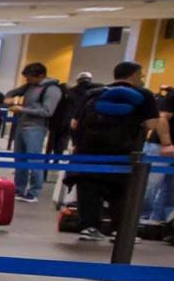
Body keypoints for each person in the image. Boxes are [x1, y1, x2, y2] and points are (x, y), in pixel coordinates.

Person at [68, 61, 161, 242]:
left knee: (89, 188)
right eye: (140, 74)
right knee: (122, 191)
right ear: (134, 75)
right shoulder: (144, 95)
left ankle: (89, 227)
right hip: (124, 152)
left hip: (89, 152)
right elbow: (151, 124)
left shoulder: (93, 93)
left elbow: (74, 123)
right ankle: (120, 230)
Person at [10, 63, 62, 199]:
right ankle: (19, 188)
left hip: (36, 128)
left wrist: (22, 109)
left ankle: (34, 191)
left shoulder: (52, 89)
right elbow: (12, 93)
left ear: (40, 76)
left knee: (34, 160)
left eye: (30, 78)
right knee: (19, 158)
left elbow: (47, 111)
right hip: (22, 125)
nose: (27, 81)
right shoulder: (30, 86)